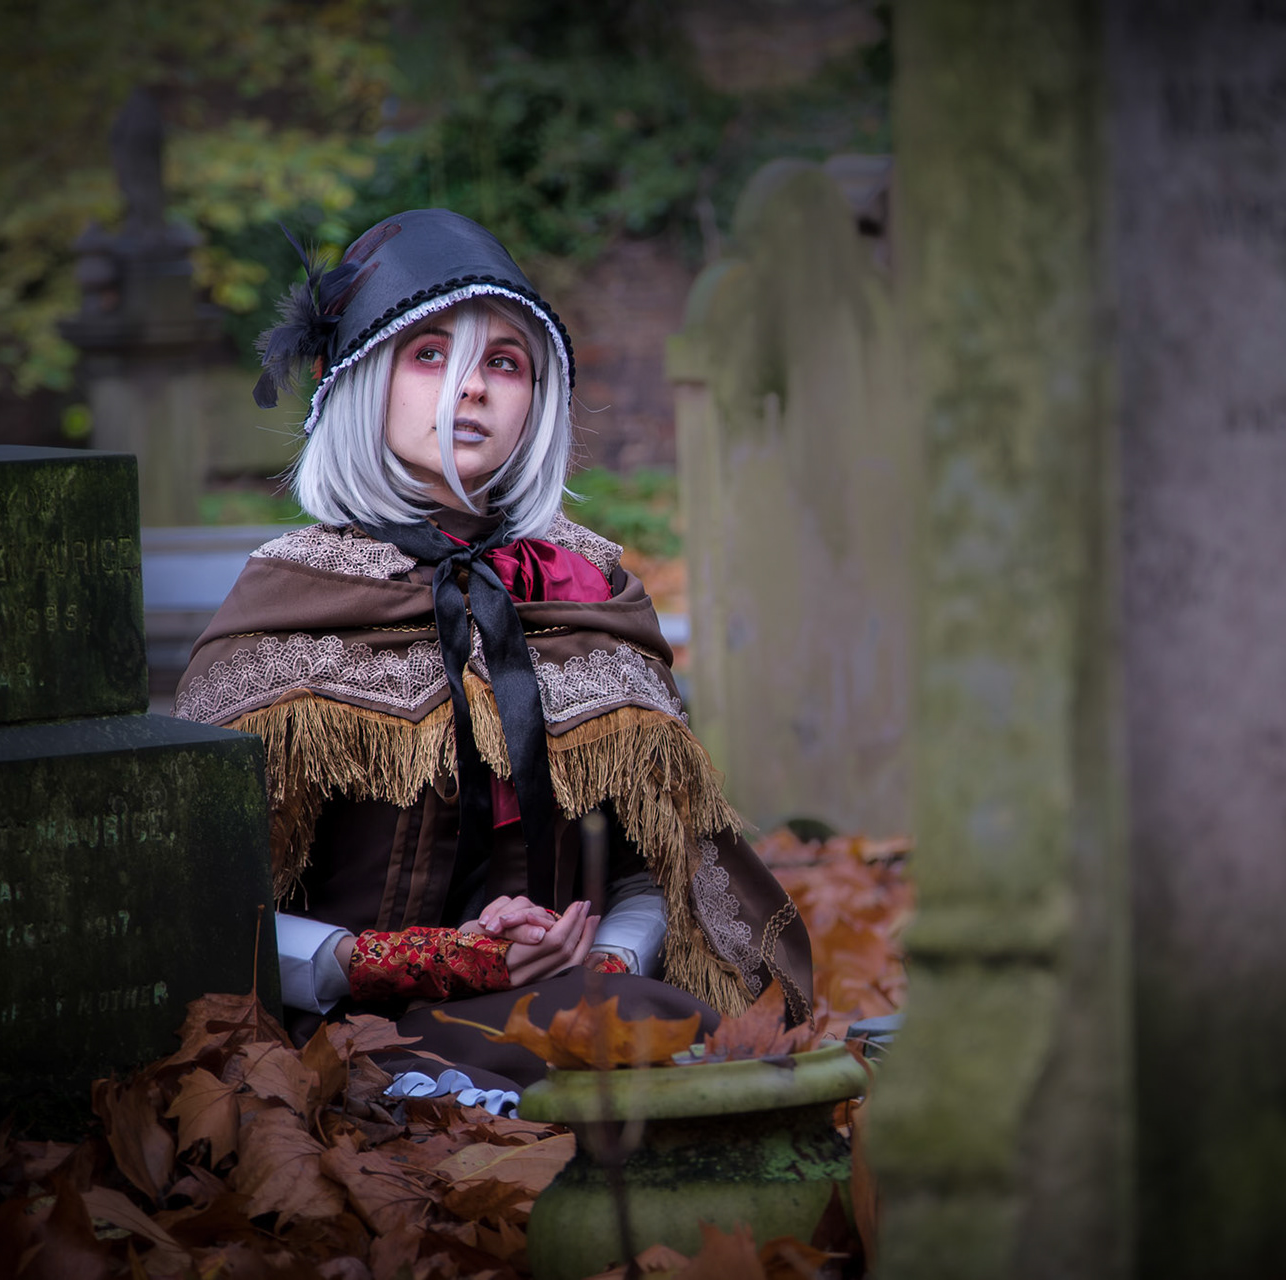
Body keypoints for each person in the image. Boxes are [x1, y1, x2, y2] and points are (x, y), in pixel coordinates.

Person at [173, 209, 813, 1113]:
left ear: (537, 402)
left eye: (504, 362)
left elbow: (654, 867)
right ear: (361, 379)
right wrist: (396, 962)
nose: (469, 387)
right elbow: (199, 908)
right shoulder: (287, 603)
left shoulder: (588, 590)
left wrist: (610, 953)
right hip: (354, 1038)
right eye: (429, 353)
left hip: (585, 1007)